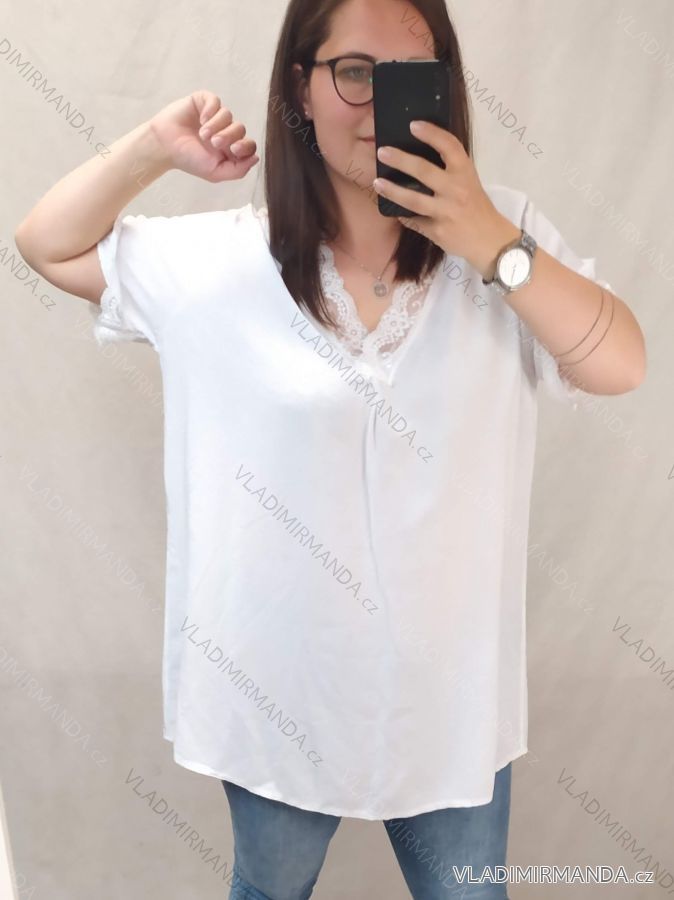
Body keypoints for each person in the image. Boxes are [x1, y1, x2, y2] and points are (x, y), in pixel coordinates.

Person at [14, 0, 645, 897]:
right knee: (270, 890)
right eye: (354, 73)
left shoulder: (505, 238)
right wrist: (155, 147)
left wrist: (489, 242)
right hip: (279, 692)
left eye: (409, 77)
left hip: (446, 701)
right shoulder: (224, 261)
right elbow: (44, 243)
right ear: (300, 89)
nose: (380, 104)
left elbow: (620, 366)